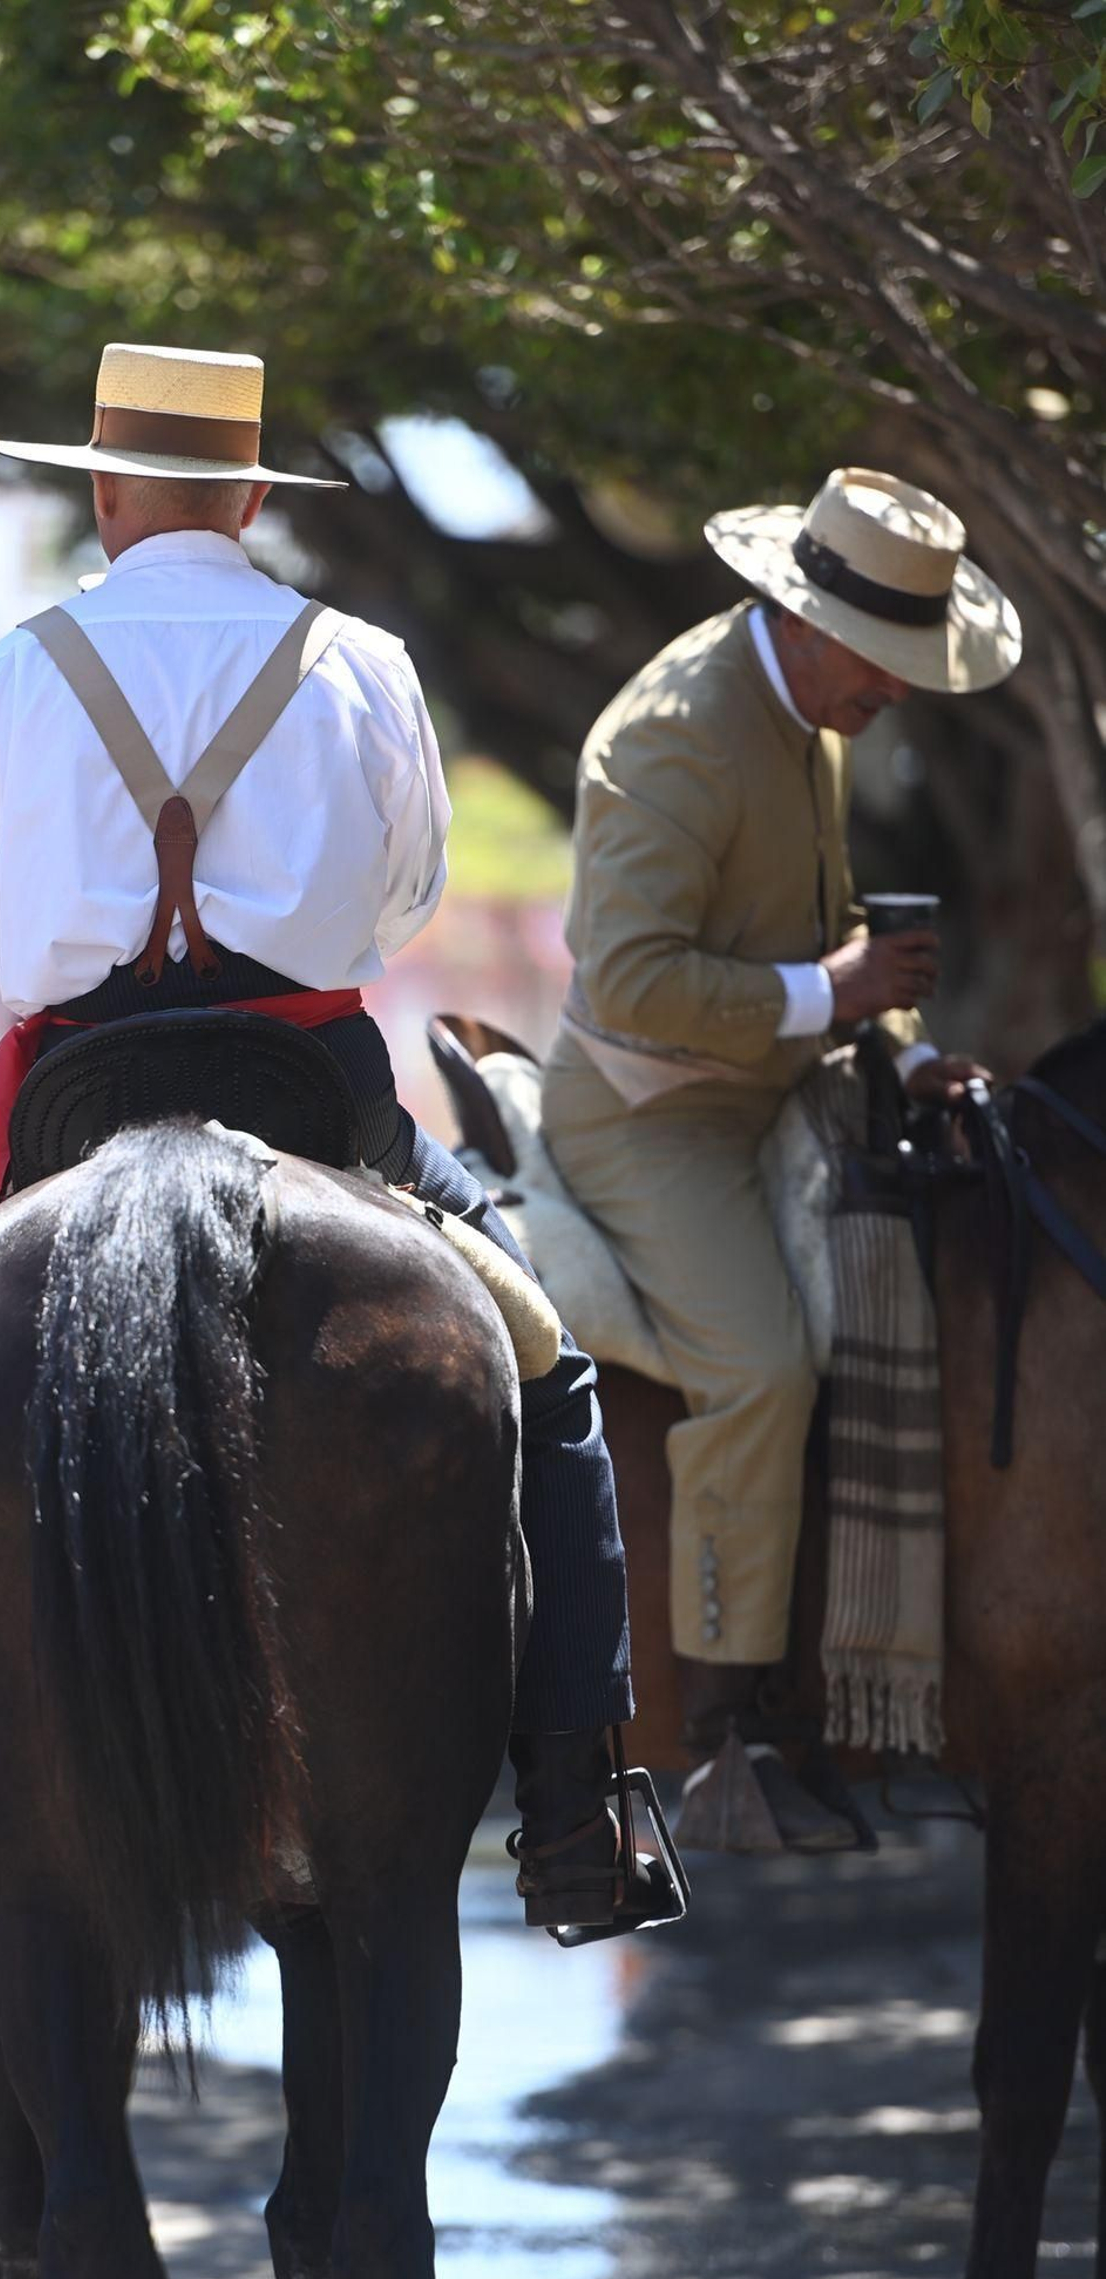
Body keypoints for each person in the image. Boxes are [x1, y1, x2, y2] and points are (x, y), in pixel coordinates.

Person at [0, 342, 656, 1942]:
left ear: (102, 495)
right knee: (549, 1367)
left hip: (69, 1096)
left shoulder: (11, 674)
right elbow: (403, 905)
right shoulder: (356, 659)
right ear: (249, 498)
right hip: (314, 1089)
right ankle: (581, 1804)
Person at [539, 467, 1022, 1849]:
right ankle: (727, 1728)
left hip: (784, 1085)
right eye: (891, 663)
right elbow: (628, 984)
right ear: (805, 621)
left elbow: (819, 934)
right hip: (649, 1118)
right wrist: (838, 997)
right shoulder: (675, 736)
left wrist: (906, 1044)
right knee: (760, 1367)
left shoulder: (810, 701)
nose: (907, 696)